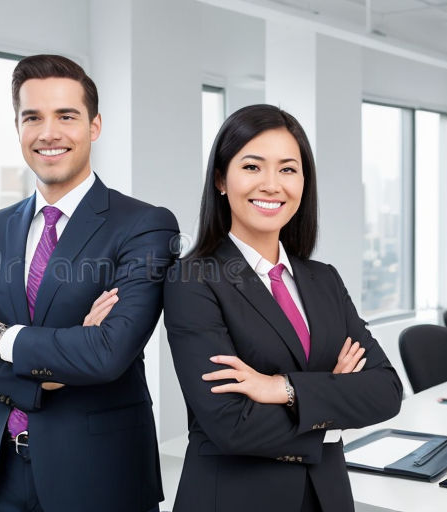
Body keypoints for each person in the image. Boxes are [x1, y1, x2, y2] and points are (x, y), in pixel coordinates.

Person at [0, 54, 178, 512]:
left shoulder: (144, 225)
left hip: (101, 480)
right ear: (18, 127)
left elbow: (106, 354)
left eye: (66, 116)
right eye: (33, 117)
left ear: (94, 125)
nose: (49, 133)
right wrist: (38, 383)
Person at [163, 104, 403, 512]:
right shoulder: (193, 279)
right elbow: (230, 425)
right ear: (221, 179)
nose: (272, 184)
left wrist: (282, 389)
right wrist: (334, 407)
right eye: (253, 167)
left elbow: (387, 390)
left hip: (328, 497)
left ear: (304, 182)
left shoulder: (323, 279)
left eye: (288, 169)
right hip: (238, 500)